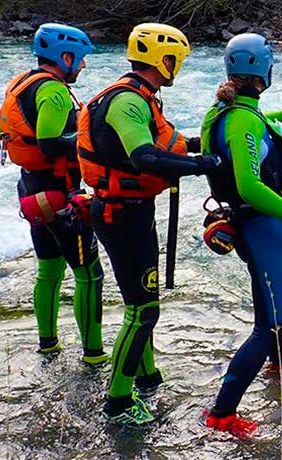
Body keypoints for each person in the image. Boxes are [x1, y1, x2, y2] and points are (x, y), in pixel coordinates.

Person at [77, 23, 221, 425]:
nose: (178, 68)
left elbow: (164, 146)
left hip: (131, 210)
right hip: (120, 214)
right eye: (176, 60)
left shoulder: (142, 97)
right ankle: (119, 402)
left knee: (142, 305)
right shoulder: (127, 101)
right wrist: (199, 166)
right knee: (144, 311)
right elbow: (144, 157)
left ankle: (147, 375)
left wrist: (203, 146)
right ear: (163, 59)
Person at [199, 33, 282, 438]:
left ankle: (279, 365)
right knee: (269, 320)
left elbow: (262, 121)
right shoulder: (239, 120)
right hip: (261, 222)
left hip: (256, 223)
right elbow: (250, 185)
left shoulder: (230, 110)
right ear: (262, 71)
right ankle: (221, 413)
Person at [0, 23, 108, 364]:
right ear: (65, 57)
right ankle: (93, 355)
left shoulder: (19, 83)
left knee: (48, 270)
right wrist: (92, 138)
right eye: (81, 59)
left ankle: (48, 345)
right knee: (89, 274)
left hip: (30, 190)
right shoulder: (55, 93)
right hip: (61, 196)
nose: (83, 66)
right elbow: (48, 143)